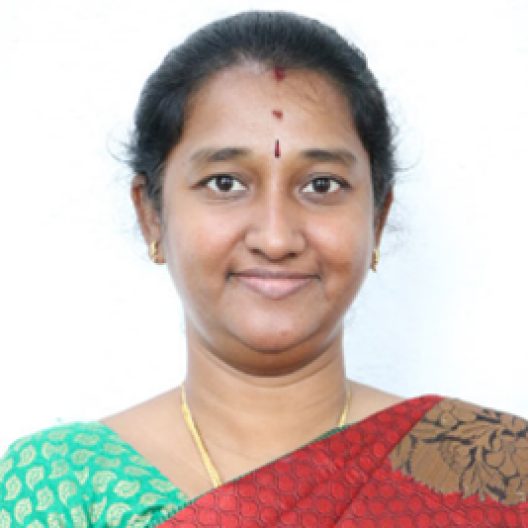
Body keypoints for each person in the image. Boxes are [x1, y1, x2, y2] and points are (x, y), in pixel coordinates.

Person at [1, 10, 526, 528]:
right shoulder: (62, 488)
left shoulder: (496, 475)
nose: (276, 239)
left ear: (377, 218)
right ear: (151, 215)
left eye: (321, 185)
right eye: (225, 183)